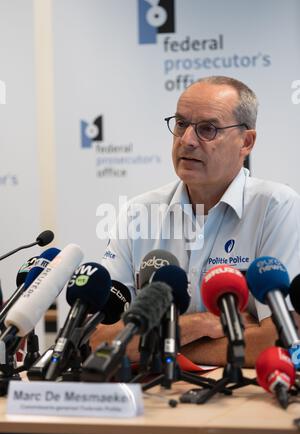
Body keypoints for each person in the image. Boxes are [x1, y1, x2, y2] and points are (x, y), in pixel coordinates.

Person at [91, 76, 300, 367]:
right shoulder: (138, 213)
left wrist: (154, 347)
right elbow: (98, 340)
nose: (187, 140)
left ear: (246, 142)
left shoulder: (276, 207)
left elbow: (279, 340)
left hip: (242, 400)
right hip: (152, 400)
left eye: (207, 129)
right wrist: (200, 325)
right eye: (180, 124)